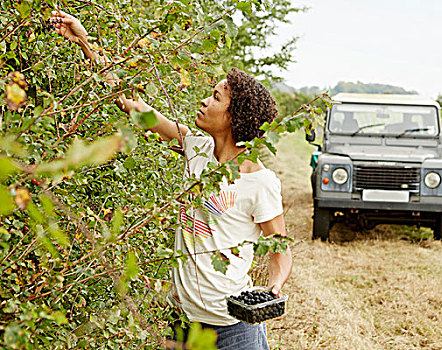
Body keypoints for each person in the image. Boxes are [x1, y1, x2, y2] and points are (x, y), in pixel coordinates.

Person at [51, 11, 292, 349]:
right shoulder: (196, 148)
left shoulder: (260, 182)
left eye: (216, 98)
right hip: (182, 323)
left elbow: (280, 248)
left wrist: (275, 285)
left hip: (234, 329)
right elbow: (132, 104)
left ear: (233, 118)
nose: (205, 100)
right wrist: (85, 42)